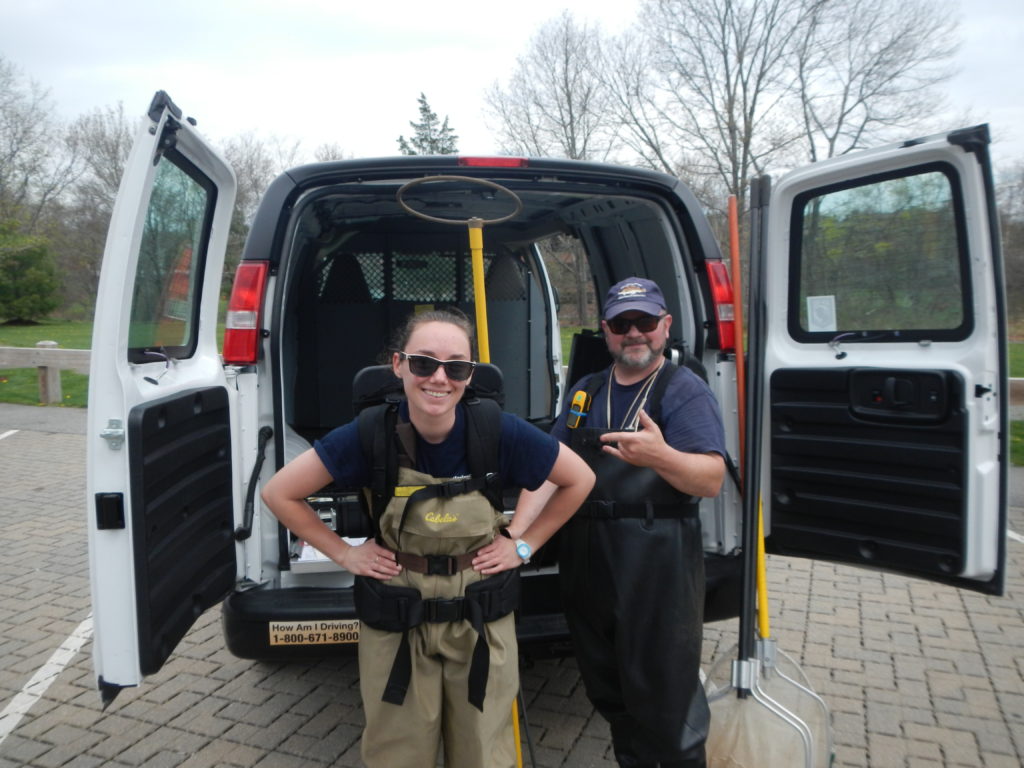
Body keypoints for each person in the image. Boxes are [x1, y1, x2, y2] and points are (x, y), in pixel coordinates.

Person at [261, 308, 594, 768]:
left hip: (480, 614)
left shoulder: (499, 431)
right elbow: (278, 493)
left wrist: (522, 545)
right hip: (397, 613)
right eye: (423, 363)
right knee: (398, 754)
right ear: (398, 365)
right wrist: (345, 554)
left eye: (456, 366)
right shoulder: (366, 435)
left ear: (469, 374)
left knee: (484, 752)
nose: (439, 378)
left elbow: (580, 479)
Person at [515, 277, 727, 768]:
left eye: (646, 322)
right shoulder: (587, 392)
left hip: (657, 563)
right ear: (606, 331)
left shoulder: (682, 391)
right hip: (588, 560)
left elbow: (711, 479)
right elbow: (548, 470)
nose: (635, 333)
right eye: (621, 323)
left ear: (665, 326)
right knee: (608, 688)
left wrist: (662, 456)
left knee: (665, 699)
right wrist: (516, 539)